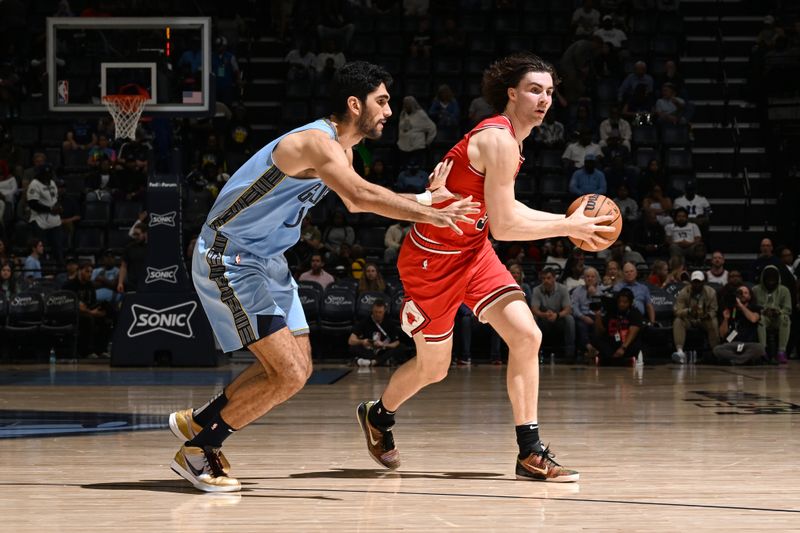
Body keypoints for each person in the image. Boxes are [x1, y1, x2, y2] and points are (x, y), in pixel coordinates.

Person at [166, 61, 478, 492]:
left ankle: (201, 419)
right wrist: (431, 214)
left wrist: (427, 197)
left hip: (268, 260)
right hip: (230, 256)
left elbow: (366, 191)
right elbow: (358, 199)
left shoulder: (342, 151)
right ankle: (200, 448)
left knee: (299, 368)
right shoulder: (315, 142)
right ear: (355, 104)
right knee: (288, 373)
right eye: (382, 101)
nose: (390, 110)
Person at [356, 53, 615, 484]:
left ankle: (529, 452)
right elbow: (508, 225)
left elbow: (504, 212)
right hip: (431, 262)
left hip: (472, 251)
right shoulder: (499, 140)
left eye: (550, 92)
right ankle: (379, 416)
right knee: (434, 369)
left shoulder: (511, 140)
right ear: (511, 94)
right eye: (534, 89)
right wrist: (568, 224)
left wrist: (564, 223)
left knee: (527, 335)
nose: (544, 99)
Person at [671, 271, 719, 364]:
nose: (697, 284)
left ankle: (716, 350)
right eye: (695, 282)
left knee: (713, 321)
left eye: (699, 282)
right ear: (691, 282)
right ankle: (680, 351)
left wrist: (708, 315)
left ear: (703, 282)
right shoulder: (684, 292)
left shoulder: (711, 292)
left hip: (704, 319)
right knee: (678, 321)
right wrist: (689, 310)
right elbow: (677, 311)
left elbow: (714, 310)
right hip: (689, 319)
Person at [63, 262, 109, 358]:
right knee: (88, 319)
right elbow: (73, 305)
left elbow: (92, 303)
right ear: (79, 271)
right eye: (87, 271)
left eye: (91, 272)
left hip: (87, 311)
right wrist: (91, 312)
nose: (90, 274)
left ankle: (101, 350)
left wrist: (97, 310)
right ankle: (87, 352)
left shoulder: (90, 286)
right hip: (72, 313)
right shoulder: (69, 285)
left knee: (104, 317)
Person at [713, 285, 766, 365]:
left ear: (750, 296)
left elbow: (753, 319)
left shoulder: (755, 308)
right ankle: (743, 360)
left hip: (748, 344)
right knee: (717, 349)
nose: (743, 295)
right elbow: (723, 334)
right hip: (732, 344)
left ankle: (734, 361)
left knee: (760, 348)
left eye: (745, 293)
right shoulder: (730, 309)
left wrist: (741, 306)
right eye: (740, 293)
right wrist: (725, 319)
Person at [590, 288, 643, 365]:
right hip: (613, 343)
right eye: (620, 302)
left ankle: (605, 361)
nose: (621, 304)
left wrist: (623, 348)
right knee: (596, 339)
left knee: (636, 345)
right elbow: (601, 332)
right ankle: (625, 361)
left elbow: (632, 333)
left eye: (625, 302)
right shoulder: (612, 311)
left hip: (627, 344)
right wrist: (598, 317)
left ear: (630, 303)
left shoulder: (635, 313)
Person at [348, 299, 408, 367]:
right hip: (369, 349)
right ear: (372, 311)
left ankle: (371, 362)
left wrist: (384, 345)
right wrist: (362, 341)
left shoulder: (390, 323)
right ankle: (383, 361)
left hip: (384, 350)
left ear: (384, 311)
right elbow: (351, 340)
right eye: (375, 312)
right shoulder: (365, 321)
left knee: (402, 347)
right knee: (353, 348)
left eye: (380, 312)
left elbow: (396, 343)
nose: (377, 314)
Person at [752, 264, 791, 364]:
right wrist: (762, 311)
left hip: (778, 318)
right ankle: (763, 350)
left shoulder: (784, 290)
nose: (770, 281)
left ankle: (781, 351)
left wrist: (779, 312)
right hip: (764, 317)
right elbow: (752, 307)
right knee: (759, 319)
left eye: (773, 279)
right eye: (768, 279)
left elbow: (788, 308)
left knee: (785, 318)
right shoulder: (755, 290)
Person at [27, 164, 63, 264]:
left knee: (58, 246)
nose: (47, 176)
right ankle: (42, 271)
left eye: (49, 174)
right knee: (40, 248)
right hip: (39, 220)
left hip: (54, 220)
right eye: (45, 174)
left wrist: (58, 206)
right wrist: (50, 209)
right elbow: (32, 204)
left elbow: (55, 198)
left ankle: (60, 269)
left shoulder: (52, 182)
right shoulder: (34, 184)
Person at [571, 267, 605, 359]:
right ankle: (588, 347)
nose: (590, 279)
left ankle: (595, 349)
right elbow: (574, 307)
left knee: (598, 324)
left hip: (597, 316)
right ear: (584, 278)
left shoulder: (602, 290)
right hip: (583, 316)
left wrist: (595, 294)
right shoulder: (577, 291)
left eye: (592, 277)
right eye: (587, 276)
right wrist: (583, 317)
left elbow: (605, 307)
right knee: (581, 325)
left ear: (597, 278)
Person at [397, 96, 436, 167]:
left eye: (408, 104)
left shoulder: (421, 114)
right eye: (405, 103)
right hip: (403, 147)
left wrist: (428, 142)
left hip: (417, 148)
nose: (406, 105)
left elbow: (432, 128)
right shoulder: (403, 113)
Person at [116, 223, 147, 293]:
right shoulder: (129, 248)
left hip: (148, 284)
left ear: (145, 233)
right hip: (132, 285)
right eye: (134, 234)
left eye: (138, 234)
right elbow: (123, 266)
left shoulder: (152, 247)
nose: (135, 237)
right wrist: (120, 283)